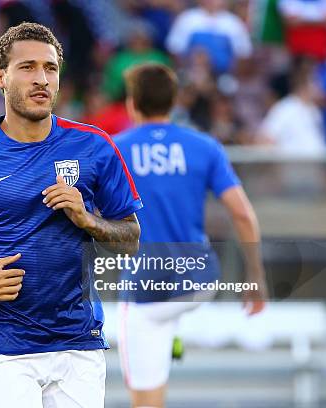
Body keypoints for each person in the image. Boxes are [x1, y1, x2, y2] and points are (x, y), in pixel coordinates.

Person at [0, 22, 142, 408]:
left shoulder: (95, 146)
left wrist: (89, 221)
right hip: (0, 345)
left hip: (78, 341)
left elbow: (131, 240)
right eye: (28, 67)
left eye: (50, 68)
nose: (42, 79)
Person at [115, 63, 268, 408]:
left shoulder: (116, 149)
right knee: (166, 319)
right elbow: (242, 212)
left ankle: (166, 342)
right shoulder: (204, 146)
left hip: (147, 288)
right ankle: (172, 336)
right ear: (174, 101)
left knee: (145, 398)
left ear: (132, 103)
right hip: (200, 279)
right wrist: (256, 278)